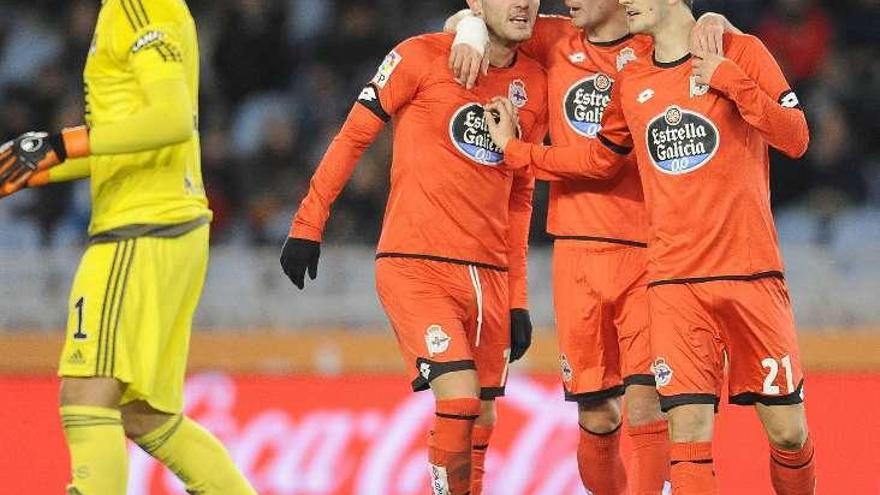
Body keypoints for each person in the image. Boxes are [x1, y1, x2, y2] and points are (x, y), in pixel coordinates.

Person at [483, 0, 816, 493]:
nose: (626, 2)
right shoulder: (633, 79)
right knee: (686, 435)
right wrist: (514, 150)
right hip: (673, 283)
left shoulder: (738, 51)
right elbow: (600, 159)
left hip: (750, 275)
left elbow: (797, 138)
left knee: (788, 434)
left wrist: (730, 79)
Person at [447, 3, 738, 493]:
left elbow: (714, 37)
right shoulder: (554, 38)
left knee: (648, 405)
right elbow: (479, 17)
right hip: (577, 253)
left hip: (651, 251)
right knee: (598, 413)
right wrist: (469, 31)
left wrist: (715, 20)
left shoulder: (655, 40)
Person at [279, 1, 547, 493]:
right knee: (461, 399)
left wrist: (519, 297)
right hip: (415, 264)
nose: (523, 2)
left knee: (483, 414)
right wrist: (308, 222)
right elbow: (353, 137)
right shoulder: (419, 56)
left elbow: (521, 194)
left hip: (489, 274)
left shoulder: (537, 82)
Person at [0, 1, 255, 493]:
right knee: (148, 417)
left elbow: (173, 120)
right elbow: (130, 139)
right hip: (163, 225)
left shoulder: (139, 7)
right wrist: (37, 165)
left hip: (141, 230)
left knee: (85, 394)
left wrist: (59, 146)